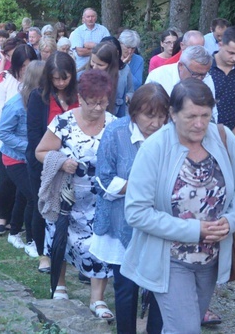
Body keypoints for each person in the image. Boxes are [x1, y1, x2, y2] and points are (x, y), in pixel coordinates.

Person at [123, 79, 235, 333]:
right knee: (186, 330)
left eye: (205, 115)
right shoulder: (154, 149)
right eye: (191, 116)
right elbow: (136, 212)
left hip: (211, 260)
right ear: (173, 114)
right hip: (169, 259)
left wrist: (232, 220)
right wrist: (194, 229)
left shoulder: (224, 138)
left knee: (180, 327)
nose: (199, 124)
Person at [35, 69, 116, 320]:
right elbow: (41, 151)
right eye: (93, 103)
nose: (98, 108)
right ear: (80, 98)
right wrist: (61, 161)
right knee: (61, 239)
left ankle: (97, 299)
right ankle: (60, 285)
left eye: (103, 102)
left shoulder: (114, 124)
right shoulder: (63, 122)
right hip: (66, 198)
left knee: (99, 244)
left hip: (100, 200)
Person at [92, 83, 169, 334]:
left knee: (159, 286)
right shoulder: (115, 132)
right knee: (126, 287)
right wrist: (142, 188)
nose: (156, 123)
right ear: (134, 112)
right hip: (121, 220)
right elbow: (104, 179)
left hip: (159, 222)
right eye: (150, 115)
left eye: (161, 116)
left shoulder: (170, 135)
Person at [26, 52, 80, 273]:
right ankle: (43, 255)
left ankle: (68, 252)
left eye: (64, 78)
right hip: (44, 161)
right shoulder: (38, 97)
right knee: (43, 206)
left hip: (75, 164)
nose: (59, 83)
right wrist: (53, 159)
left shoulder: (79, 96)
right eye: (55, 78)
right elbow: (34, 135)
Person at [0, 43, 38, 245]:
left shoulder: (36, 83)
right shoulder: (4, 80)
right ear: (16, 65)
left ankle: (17, 225)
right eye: (24, 65)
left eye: (31, 64)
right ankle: (4, 218)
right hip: (3, 140)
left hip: (27, 142)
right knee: (7, 181)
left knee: (24, 190)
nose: (27, 69)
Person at [0, 61, 46, 261]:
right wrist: (30, 145)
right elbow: (3, 133)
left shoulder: (44, 100)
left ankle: (14, 232)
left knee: (24, 196)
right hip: (15, 159)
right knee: (34, 197)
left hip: (32, 158)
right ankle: (32, 241)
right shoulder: (16, 104)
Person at [145, 45, 218, 122]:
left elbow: (212, 111)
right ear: (181, 66)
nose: (199, 79)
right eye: (194, 74)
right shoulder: (158, 77)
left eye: (203, 75)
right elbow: (146, 112)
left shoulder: (207, 78)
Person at [210, 26, 235, 153]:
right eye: (231, 53)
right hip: (205, 137)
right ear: (220, 45)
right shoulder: (204, 68)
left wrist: (230, 139)